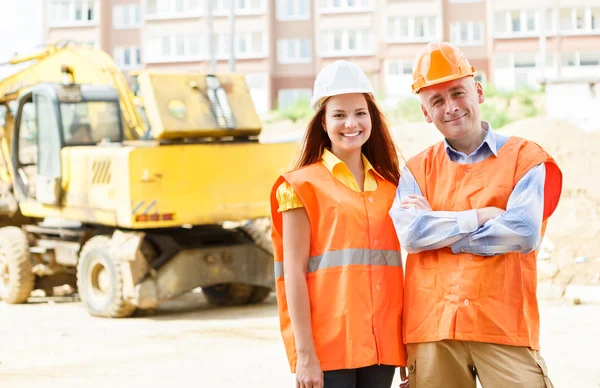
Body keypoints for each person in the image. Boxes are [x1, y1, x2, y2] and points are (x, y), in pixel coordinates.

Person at [389, 41, 562, 388]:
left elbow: (523, 232)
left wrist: (437, 225)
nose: (450, 107)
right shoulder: (415, 169)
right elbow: (410, 235)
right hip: (433, 329)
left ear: (478, 92)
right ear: (425, 112)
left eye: (457, 93)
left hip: (503, 324)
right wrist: (482, 216)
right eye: (436, 101)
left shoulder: (526, 158)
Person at [270, 60, 406, 388]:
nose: (351, 123)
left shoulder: (392, 187)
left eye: (360, 112)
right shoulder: (300, 186)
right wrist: (305, 355)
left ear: (372, 117)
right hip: (328, 348)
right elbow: (293, 276)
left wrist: (406, 345)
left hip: (383, 344)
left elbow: (403, 271)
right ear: (323, 122)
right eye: (339, 114)